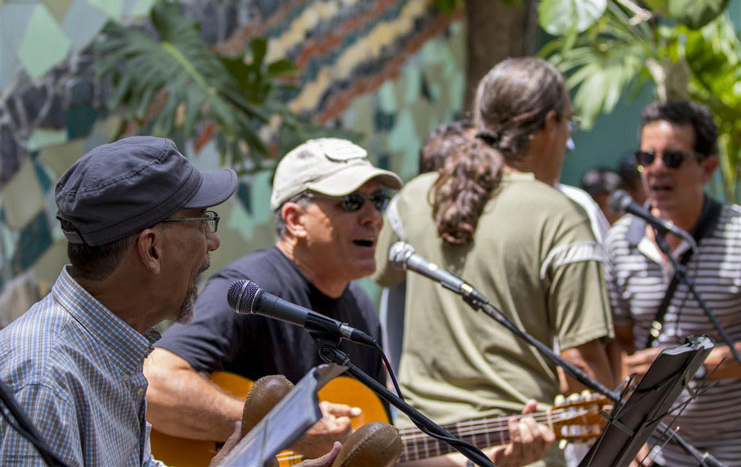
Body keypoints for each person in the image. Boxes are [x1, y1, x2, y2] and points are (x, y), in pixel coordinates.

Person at [374, 57, 618, 467]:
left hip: (420, 451)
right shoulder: (561, 217)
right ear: (550, 125)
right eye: (569, 127)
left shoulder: (413, 198)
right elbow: (583, 366)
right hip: (521, 448)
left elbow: (382, 272)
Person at [144, 138, 402, 459]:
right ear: (295, 220)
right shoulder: (250, 289)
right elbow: (155, 384)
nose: (373, 217)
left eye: (378, 200)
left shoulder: (360, 308)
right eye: (351, 202)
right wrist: (285, 429)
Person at [0, 136, 243, 466]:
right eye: (201, 221)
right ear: (151, 248)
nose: (212, 241)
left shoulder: (108, 345)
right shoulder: (45, 382)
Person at [605, 100, 741, 466]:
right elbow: (618, 345)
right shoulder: (619, 241)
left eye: (673, 159)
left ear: (707, 167)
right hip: (651, 455)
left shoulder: (737, 234)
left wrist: (690, 366)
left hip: (731, 451)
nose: (656, 169)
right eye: (646, 157)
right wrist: (628, 435)